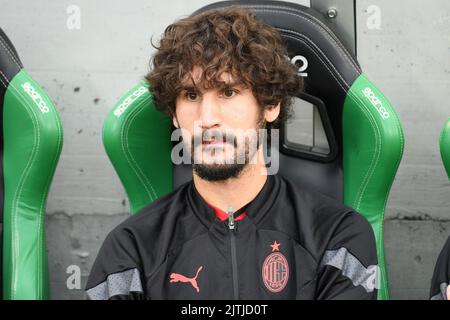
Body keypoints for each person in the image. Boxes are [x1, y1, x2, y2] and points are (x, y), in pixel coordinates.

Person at [85, 6, 379, 300]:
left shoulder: (338, 236)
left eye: (228, 92)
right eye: (191, 95)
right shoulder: (130, 247)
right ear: (174, 116)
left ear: (270, 105)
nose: (207, 117)